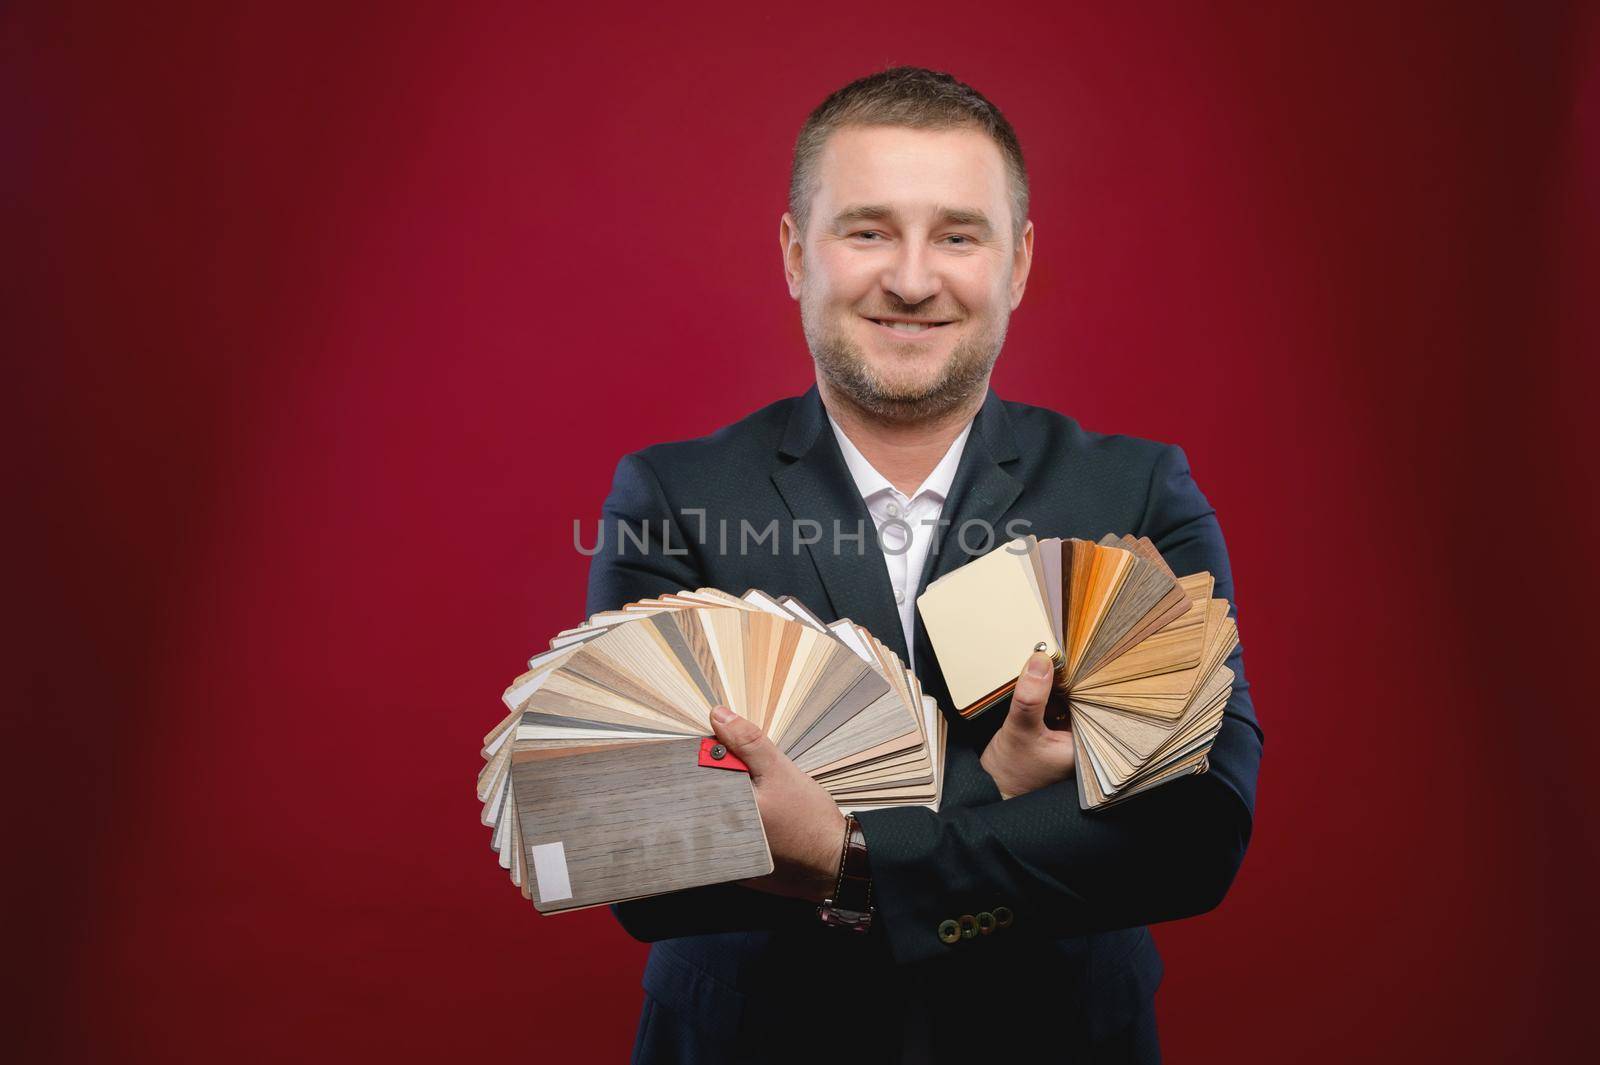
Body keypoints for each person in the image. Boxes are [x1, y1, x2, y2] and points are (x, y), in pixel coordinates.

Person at [585, 66, 1262, 1065]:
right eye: (866, 231)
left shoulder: (1132, 496)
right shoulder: (673, 500)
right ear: (793, 252)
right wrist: (996, 785)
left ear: (1018, 263)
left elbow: (1191, 838)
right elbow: (645, 858)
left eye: (957, 234)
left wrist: (842, 853)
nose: (911, 277)